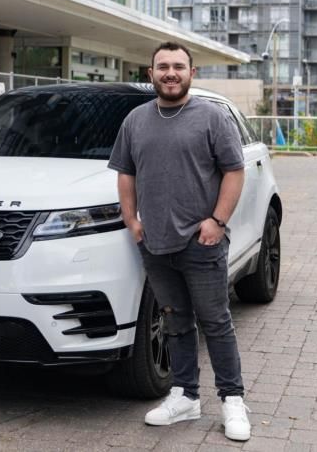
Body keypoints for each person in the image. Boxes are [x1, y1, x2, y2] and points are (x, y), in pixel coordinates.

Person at [108, 41, 250, 442]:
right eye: (163, 67)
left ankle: (233, 400)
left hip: (201, 242)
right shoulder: (135, 120)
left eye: (178, 67)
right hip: (155, 243)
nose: (171, 73)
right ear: (150, 73)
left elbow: (234, 171)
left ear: (192, 73)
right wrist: (131, 221)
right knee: (174, 321)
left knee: (216, 322)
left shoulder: (211, 117)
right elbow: (125, 172)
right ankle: (185, 396)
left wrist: (218, 222)